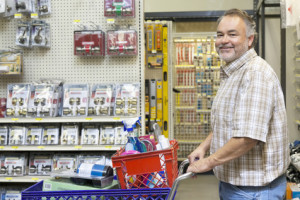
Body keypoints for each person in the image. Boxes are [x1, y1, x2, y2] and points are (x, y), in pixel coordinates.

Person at [187, 8, 290, 199]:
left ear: (250, 40)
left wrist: (208, 162)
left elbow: (247, 137)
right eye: (220, 35)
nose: (224, 40)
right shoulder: (234, 72)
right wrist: (203, 147)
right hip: (236, 186)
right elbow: (229, 122)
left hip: (254, 191)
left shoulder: (255, 74)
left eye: (232, 34)